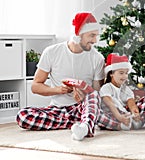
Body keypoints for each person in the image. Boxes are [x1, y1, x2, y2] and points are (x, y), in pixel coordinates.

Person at [16, 12, 105, 141]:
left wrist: (85, 94)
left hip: (83, 108)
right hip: (58, 110)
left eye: (96, 36)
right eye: (92, 35)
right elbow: (35, 86)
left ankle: (84, 125)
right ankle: (78, 123)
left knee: (93, 96)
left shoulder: (97, 58)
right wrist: (58, 89)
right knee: (23, 116)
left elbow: (97, 93)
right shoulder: (51, 52)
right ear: (78, 34)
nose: (95, 41)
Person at [97, 53, 143, 130]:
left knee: (144, 100)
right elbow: (110, 105)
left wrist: (135, 113)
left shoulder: (126, 89)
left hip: (125, 113)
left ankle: (133, 121)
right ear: (111, 74)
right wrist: (120, 117)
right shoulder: (106, 88)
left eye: (126, 73)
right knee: (98, 114)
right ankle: (118, 125)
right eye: (121, 73)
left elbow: (131, 103)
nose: (125, 76)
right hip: (113, 114)